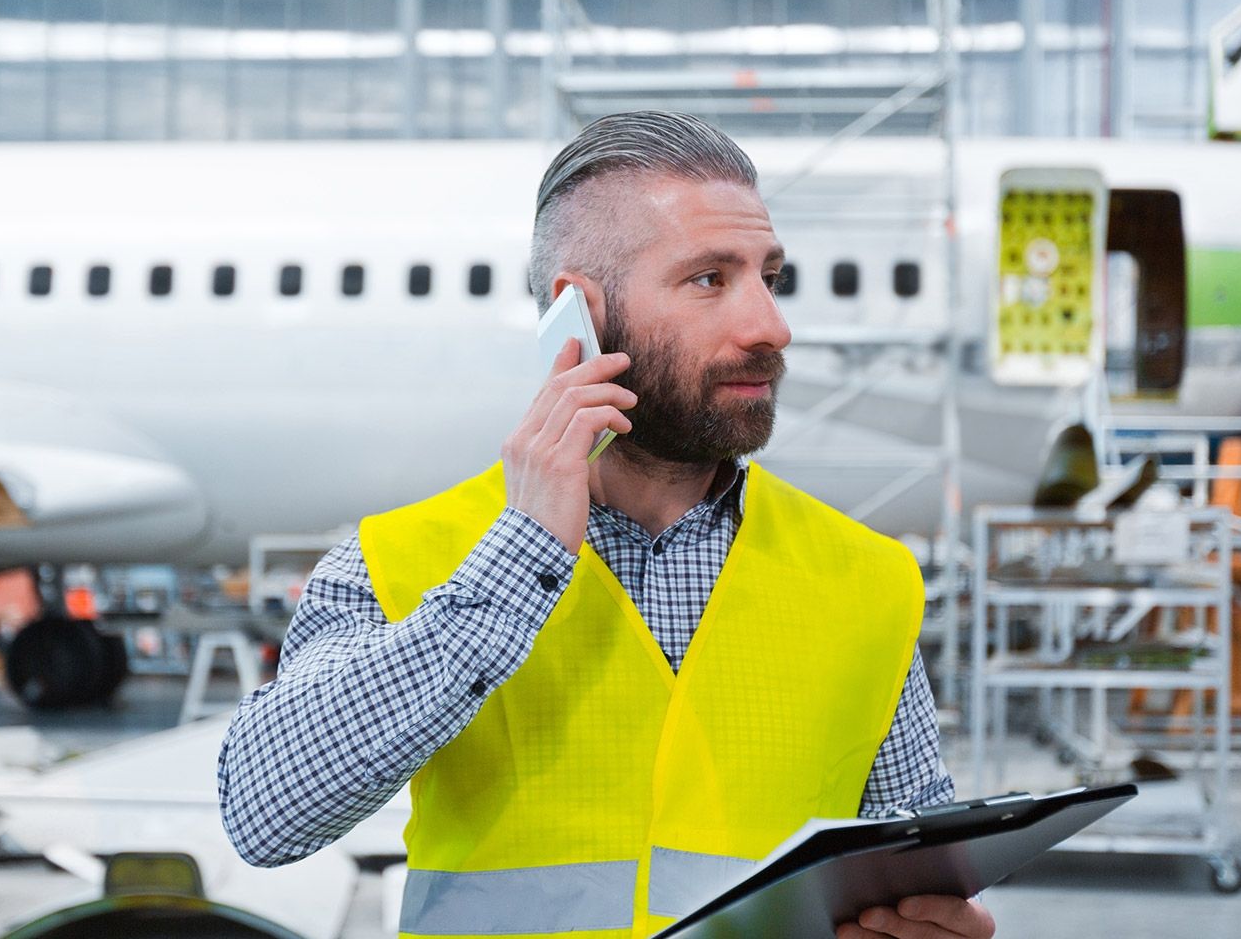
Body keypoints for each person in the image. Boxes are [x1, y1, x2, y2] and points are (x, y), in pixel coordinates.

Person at [218, 111, 993, 939]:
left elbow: (904, 864)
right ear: (579, 316)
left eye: (771, 276)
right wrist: (522, 557)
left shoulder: (865, 577)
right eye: (708, 279)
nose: (771, 325)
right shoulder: (402, 560)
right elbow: (266, 814)